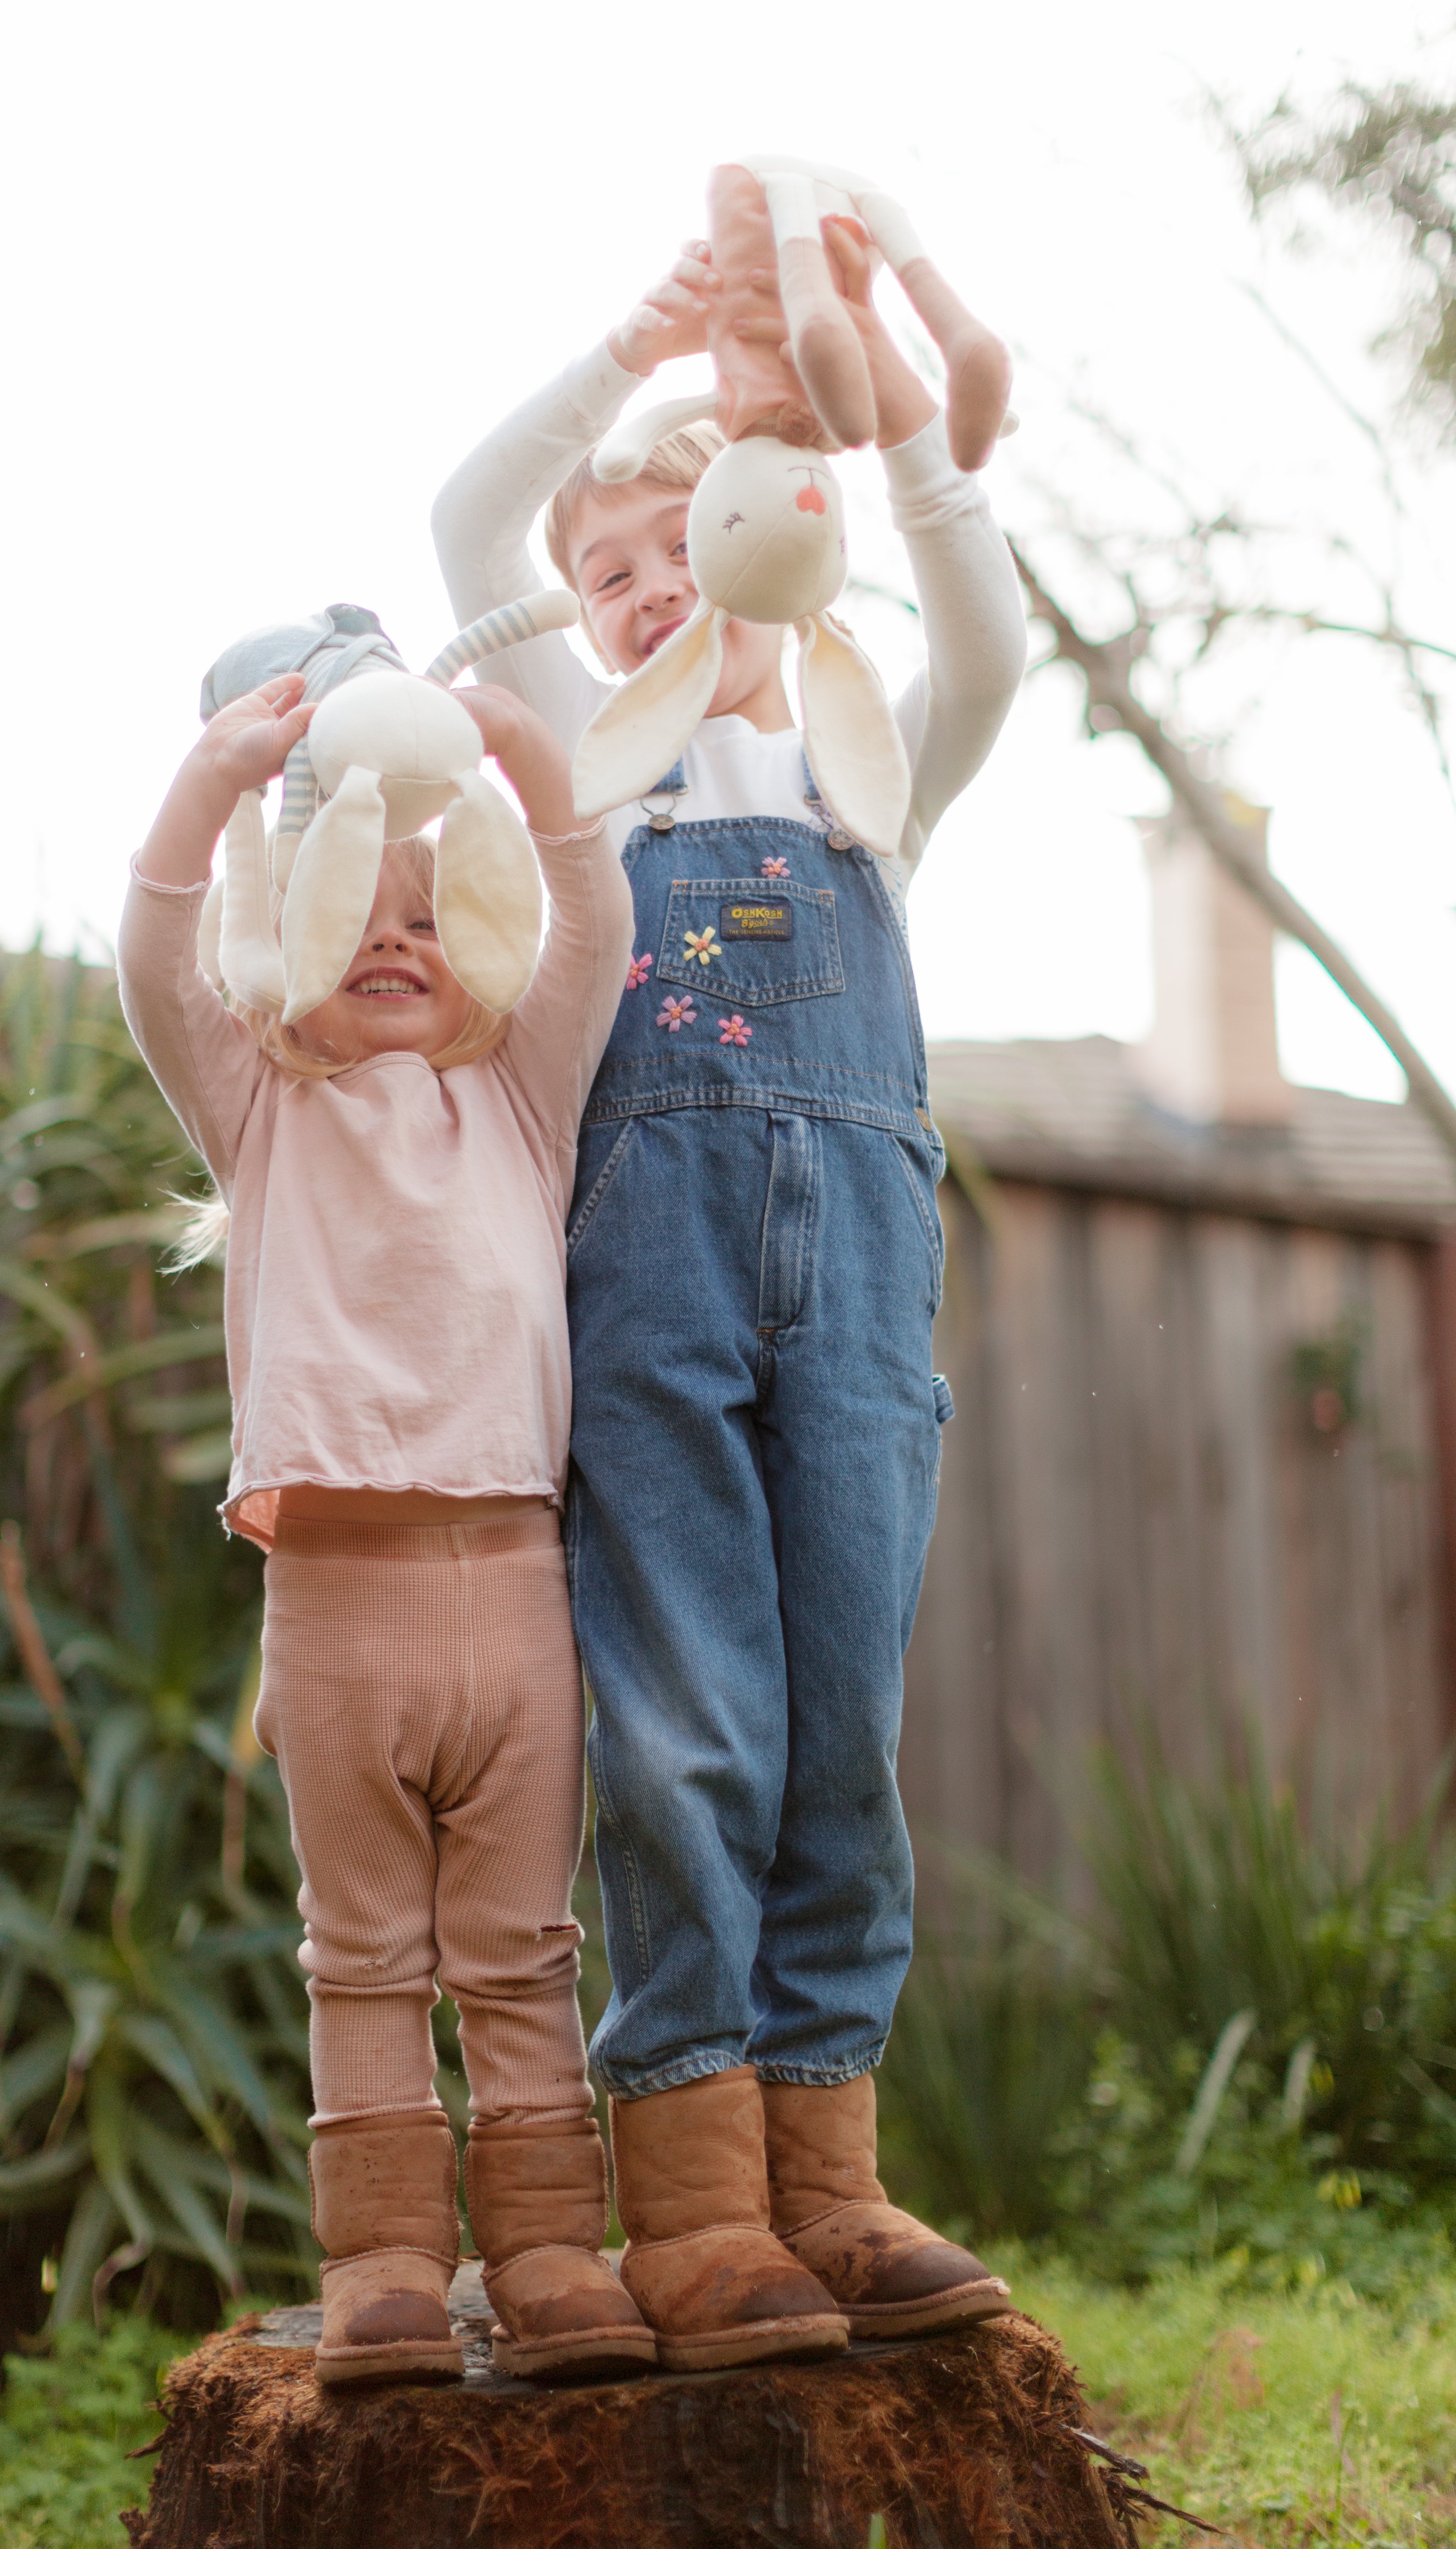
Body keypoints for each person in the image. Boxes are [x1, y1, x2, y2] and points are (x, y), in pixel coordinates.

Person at [430, 220, 1028, 2371]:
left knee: (839, 1728)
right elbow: (467, 520)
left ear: (785, 547)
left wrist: (888, 437)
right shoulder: (588, 785)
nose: (646, 587)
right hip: (652, 1296)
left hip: (861, 1303)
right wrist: (637, 347)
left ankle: (829, 2181)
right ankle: (687, 2193)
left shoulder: (886, 777)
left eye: (686, 543)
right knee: (687, 1729)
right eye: (611, 576)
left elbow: (987, 620)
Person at [118, 662, 651, 2389]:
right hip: (336, 1605)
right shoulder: (264, 1102)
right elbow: (154, 949)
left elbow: (590, 908)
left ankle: (556, 2251)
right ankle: (387, 2270)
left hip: (515, 1591)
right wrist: (223, 774)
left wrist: (524, 756)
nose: (396, 939)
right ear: (294, 932)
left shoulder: (520, 1095)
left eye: (433, 912)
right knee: (361, 1955)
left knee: (517, 1952)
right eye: (358, 907)